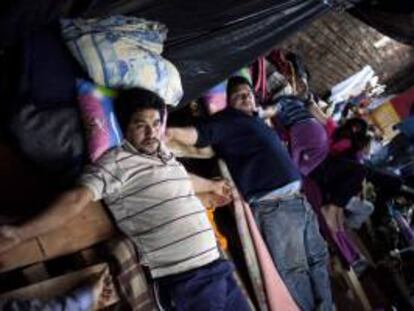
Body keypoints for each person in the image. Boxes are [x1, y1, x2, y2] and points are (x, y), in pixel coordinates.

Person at [0, 89, 250, 311]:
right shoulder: (115, 163)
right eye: (140, 125)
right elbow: (77, 199)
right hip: (186, 278)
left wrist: (213, 185)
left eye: (155, 123)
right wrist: (21, 233)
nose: (152, 131)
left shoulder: (164, 154)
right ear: (124, 128)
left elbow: (183, 180)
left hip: (217, 266)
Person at [167, 76, 333, 311]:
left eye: (248, 93)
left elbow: (268, 111)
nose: (246, 97)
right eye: (239, 95)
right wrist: (171, 133)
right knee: (296, 270)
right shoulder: (228, 121)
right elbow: (200, 134)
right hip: (275, 207)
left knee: (318, 257)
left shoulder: (254, 119)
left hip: (297, 201)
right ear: (229, 102)